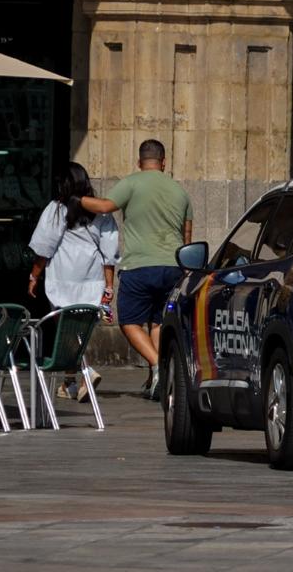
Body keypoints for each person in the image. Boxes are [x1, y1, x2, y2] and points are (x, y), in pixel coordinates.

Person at [81, 139, 192, 398]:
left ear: (139, 162)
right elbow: (187, 238)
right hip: (173, 266)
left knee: (129, 321)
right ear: (164, 162)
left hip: (139, 266)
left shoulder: (131, 183)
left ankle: (158, 366)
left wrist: (75, 197)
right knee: (157, 322)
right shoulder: (180, 192)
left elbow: (105, 206)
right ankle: (159, 379)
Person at [27, 162, 120, 402]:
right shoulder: (101, 213)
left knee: (65, 332)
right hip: (92, 279)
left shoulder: (57, 209)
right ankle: (69, 383)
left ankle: (85, 370)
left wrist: (34, 275)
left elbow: (44, 248)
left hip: (63, 279)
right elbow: (109, 251)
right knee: (78, 331)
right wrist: (109, 286)